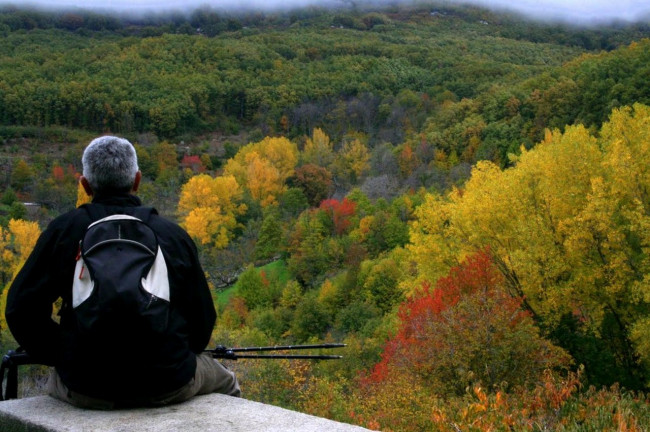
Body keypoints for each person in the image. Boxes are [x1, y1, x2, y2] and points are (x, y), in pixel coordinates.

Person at [5, 135, 240, 409]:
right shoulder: (172, 235)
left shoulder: (64, 231)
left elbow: (20, 310)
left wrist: (65, 352)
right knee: (226, 382)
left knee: (51, 389)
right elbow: (202, 325)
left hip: (85, 385)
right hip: (169, 380)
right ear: (137, 180)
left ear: (85, 184)